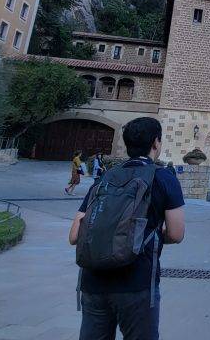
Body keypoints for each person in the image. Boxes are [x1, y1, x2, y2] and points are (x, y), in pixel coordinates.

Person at [69, 117, 186, 340]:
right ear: (156, 143)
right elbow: (176, 233)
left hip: (93, 283)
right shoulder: (163, 177)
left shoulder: (105, 178)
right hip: (137, 284)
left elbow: (74, 235)